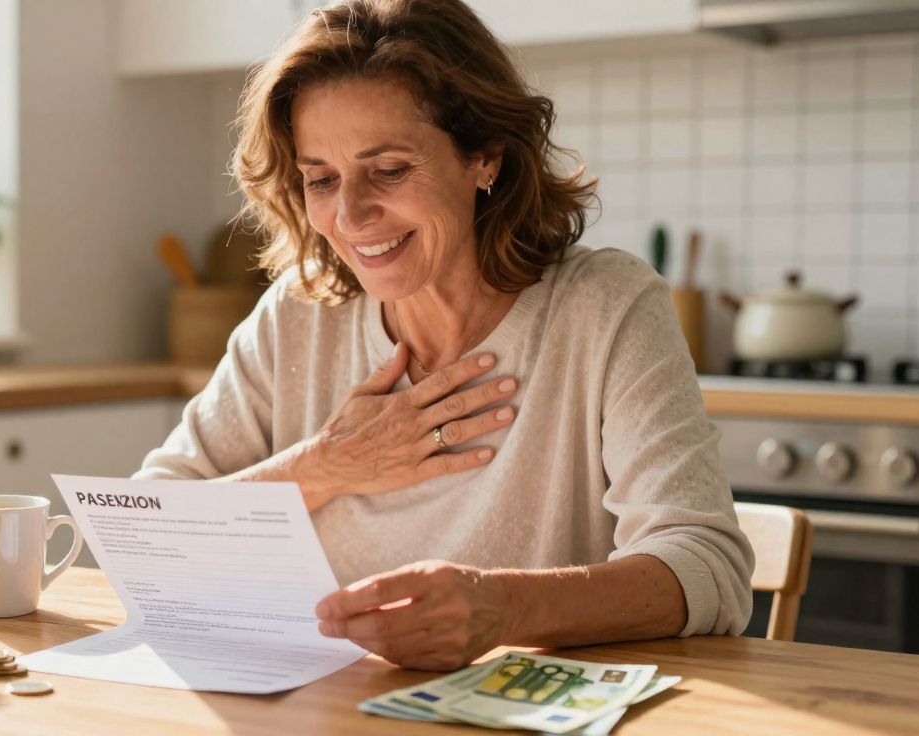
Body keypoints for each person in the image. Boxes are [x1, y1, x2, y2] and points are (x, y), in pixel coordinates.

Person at [134, 0, 753, 672]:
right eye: (321, 179)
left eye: (390, 170)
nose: (351, 215)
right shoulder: (297, 315)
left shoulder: (604, 308)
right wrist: (326, 466)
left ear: (484, 156)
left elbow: (706, 565)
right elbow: (146, 536)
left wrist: (505, 608)